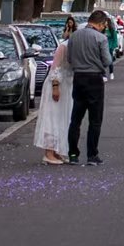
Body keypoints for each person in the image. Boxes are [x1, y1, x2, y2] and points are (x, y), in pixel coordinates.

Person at [66, 10, 112, 166]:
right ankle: (92, 155)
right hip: (94, 79)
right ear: (100, 23)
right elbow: (107, 60)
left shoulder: (74, 36)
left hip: (78, 78)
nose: (104, 28)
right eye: (104, 25)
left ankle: (73, 154)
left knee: (75, 119)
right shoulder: (101, 38)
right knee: (95, 120)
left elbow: (70, 58)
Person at [33, 35, 74, 164]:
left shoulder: (73, 47)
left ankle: (57, 150)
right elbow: (55, 68)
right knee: (52, 116)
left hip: (67, 85)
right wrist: (55, 86)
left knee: (62, 118)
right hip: (56, 84)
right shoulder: (64, 46)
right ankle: (49, 152)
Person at [104, 13, 121, 81]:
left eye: (106, 22)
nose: (105, 23)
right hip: (103, 48)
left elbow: (115, 39)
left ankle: (111, 72)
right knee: (102, 61)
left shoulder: (111, 30)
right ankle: (104, 75)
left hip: (109, 47)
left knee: (110, 60)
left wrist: (114, 46)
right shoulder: (102, 30)